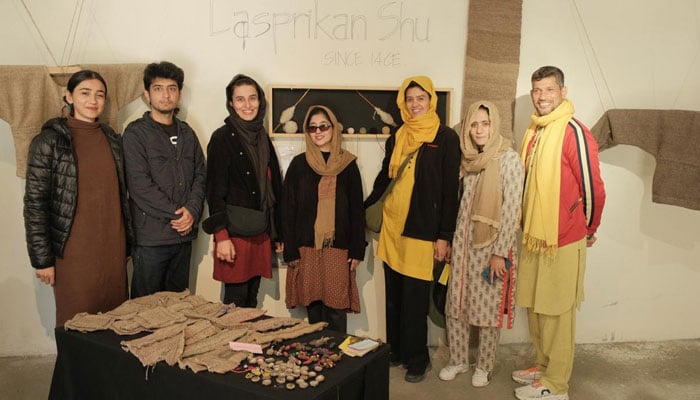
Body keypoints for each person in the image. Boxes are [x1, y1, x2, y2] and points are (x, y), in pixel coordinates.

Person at [512, 66, 605, 400]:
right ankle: (543, 366)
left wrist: (588, 227)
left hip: (562, 238)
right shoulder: (535, 131)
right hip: (535, 235)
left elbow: (593, 188)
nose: (542, 96)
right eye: (537, 90)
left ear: (563, 92)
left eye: (549, 89)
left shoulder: (572, 132)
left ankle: (557, 384)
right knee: (536, 308)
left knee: (557, 312)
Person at [365, 76, 460, 383]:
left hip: (422, 230)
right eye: (410, 99)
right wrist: (365, 207)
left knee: (416, 297)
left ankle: (417, 359)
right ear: (402, 103)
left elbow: (449, 191)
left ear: (431, 100)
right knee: (393, 294)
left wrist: (445, 235)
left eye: (421, 97)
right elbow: (385, 176)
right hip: (393, 226)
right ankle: (397, 351)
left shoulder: (445, 137)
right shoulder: (399, 135)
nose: (415, 104)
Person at [24, 69, 133, 327]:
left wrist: (127, 244)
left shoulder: (111, 139)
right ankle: (74, 370)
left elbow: (120, 195)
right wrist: (43, 260)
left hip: (112, 247)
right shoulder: (48, 142)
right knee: (76, 323)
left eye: (99, 95)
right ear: (69, 96)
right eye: (85, 93)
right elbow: (35, 205)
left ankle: (108, 370)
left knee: (114, 321)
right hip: (72, 252)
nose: (93, 100)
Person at [438, 101, 524, 387]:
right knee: (457, 304)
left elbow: (512, 208)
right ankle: (459, 360)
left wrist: (500, 253)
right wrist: (451, 240)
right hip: (462, 245)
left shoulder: (508, 159)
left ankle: (484, 365)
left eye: (484, 123)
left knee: (487, 308)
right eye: (473, 124)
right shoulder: (467, 160)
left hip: (491, 248)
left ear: (494, 124)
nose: (478, 130)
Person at [122, 61, 206, 298]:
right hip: (151, 240)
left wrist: (192, 210)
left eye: (172, 88)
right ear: (147, 94)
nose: (166, 95)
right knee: (145, 311)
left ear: (179, 93)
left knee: (178, 309)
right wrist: (178, 214)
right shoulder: (135, 134)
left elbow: (200, 174)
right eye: (158, 88)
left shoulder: (187, 133)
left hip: (183, 237)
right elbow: (139, 185)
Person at [282, 105, 365, 333]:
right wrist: (290, 249)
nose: (318, 131)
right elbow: (288, 209)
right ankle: (319, 356)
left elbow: (357, 211)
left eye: (323, 126)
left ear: (333, 128)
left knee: (336, 308)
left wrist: (358, 250)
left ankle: (339, 362)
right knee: (314, 305)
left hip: (338, 247)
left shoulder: (348, 165)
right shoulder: (299, 164)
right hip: (306, 246)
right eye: (312, 127)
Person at [204, 74, 283, 307]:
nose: (247, 105)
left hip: (260, 231)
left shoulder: (262, 136)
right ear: (231, 103)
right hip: (235, 234)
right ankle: (233, 345)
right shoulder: (222, 138)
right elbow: (214, 190)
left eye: (252, 98)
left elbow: (273, 185)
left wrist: (278, 232)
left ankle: (248, 344)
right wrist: (221, 237)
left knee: (252, 299)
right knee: (235, 303)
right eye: (240, 100)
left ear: (260, 101)